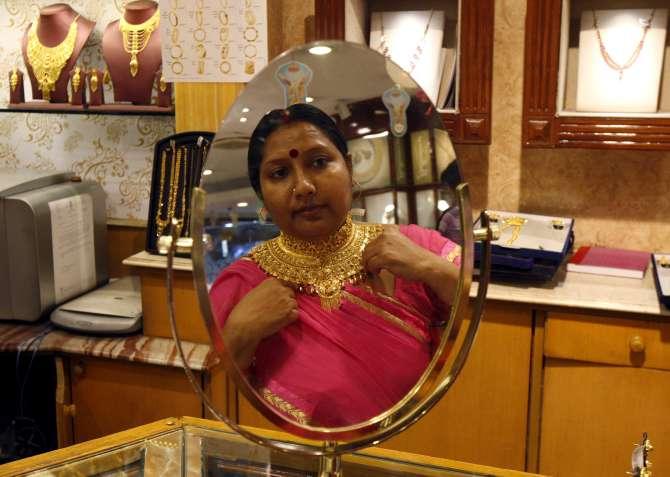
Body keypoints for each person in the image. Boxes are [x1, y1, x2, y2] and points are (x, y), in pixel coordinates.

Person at [209, 103, 461, 427]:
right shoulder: (243, 283)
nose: (304, 187)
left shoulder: (414, 247)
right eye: (279, 173)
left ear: (350, 169)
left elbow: (488, 324)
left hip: (416, 450)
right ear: (262, 198)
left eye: (319, 162)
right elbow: (208, 403)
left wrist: (431, 268)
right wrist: (240, 332)